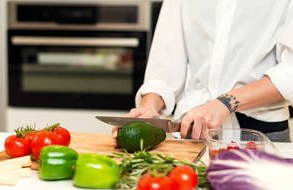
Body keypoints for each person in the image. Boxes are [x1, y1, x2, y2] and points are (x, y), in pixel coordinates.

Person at [112, 0, 293, 145]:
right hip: (191, 133)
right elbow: (165, 66)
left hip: (261, 137)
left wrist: (225, 102)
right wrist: (149, 107)